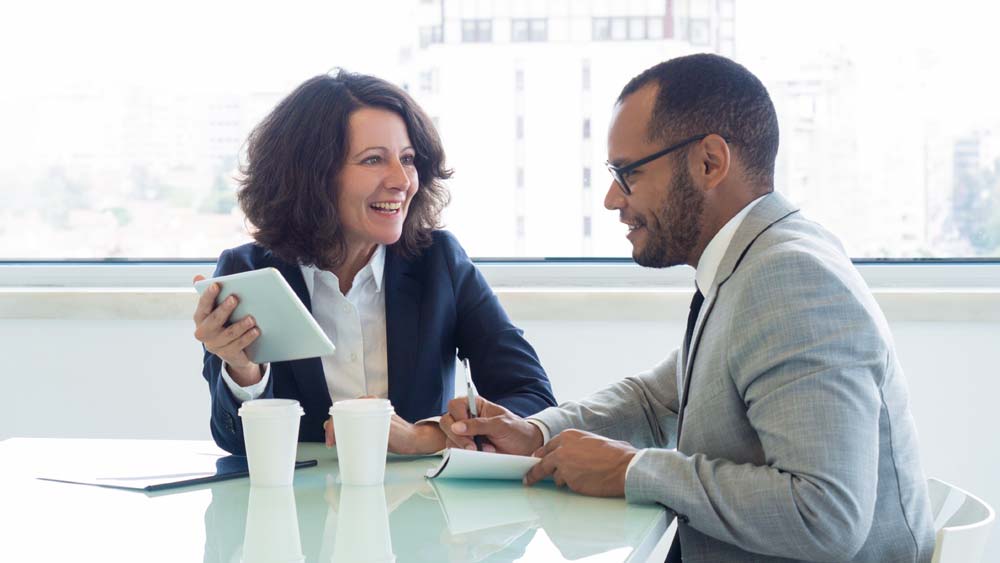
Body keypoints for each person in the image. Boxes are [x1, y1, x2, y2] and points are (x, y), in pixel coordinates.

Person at [441, 54, 934, 562]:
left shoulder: (790, 280)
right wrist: (536, 431)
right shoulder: (752, 261)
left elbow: (826, 514)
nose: (613, 199)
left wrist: (634, 470)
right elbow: (660, 400)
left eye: (628, 172)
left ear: (709, 163)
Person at [193, 71, 556, 456]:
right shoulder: (248, 273)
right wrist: (242, 369)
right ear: (311, 176)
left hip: (421, 507)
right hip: (299, 509)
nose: (402, 180)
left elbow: (531, 398)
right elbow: (235, 442)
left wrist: (429, 437)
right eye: (373, 160)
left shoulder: (439, 262)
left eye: (408, 159)